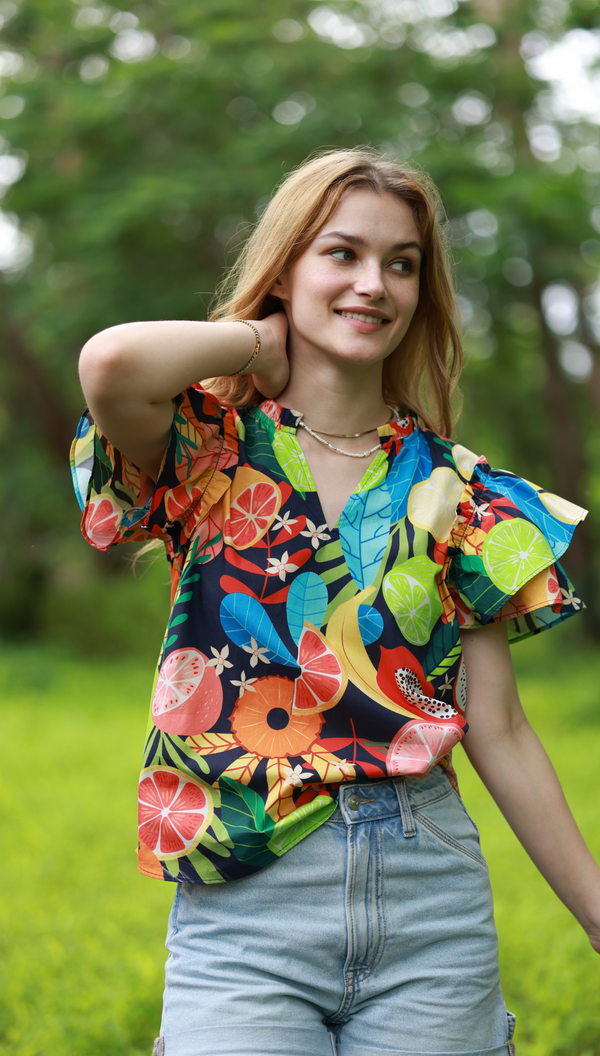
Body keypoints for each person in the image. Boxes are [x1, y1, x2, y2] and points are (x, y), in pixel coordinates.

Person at [71, 148, 600, 1056]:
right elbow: (113, 362)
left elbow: (499, 728)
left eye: (402, 263)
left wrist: (596, 913)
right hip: (246, 902)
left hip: (429, 898)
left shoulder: (459, 492)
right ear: (287, 269)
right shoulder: (208, 447)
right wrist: (256, 342)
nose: (375, 285)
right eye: (342, 254)